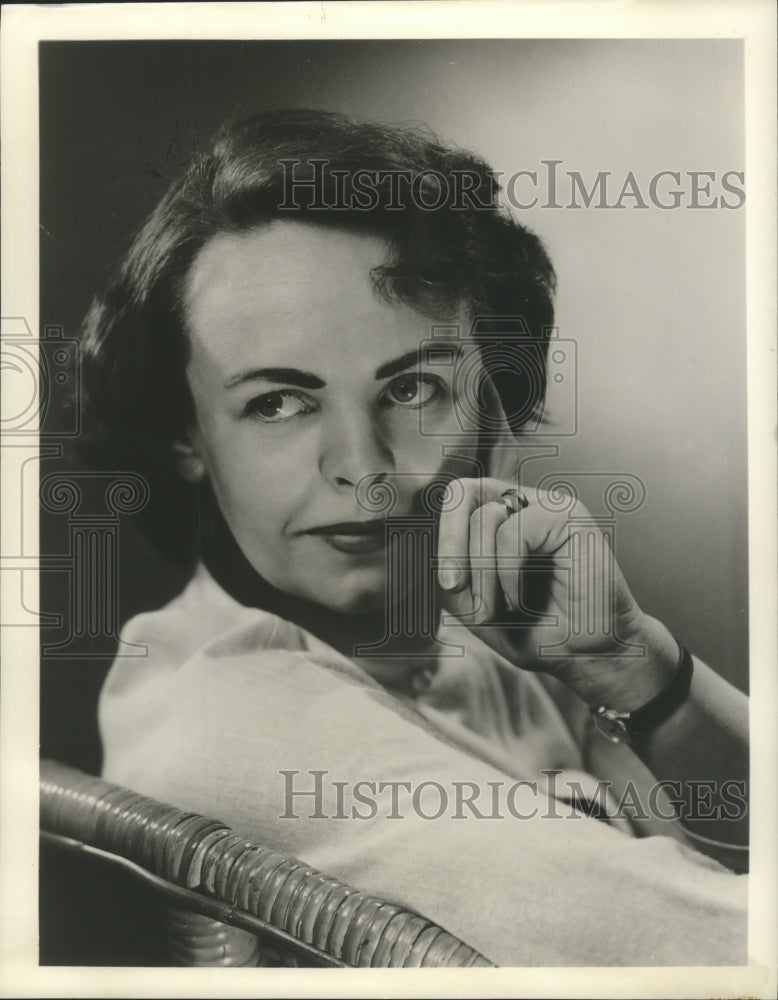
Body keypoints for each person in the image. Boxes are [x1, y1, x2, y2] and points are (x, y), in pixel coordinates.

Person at [80, 109, 748, 966]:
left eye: (412, 390)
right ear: (188, 434)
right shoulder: (226, 708)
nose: (364, 468)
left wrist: (632, 665)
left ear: (490, 405)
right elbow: (721, 945)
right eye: (277, 402)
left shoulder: (488, 643)